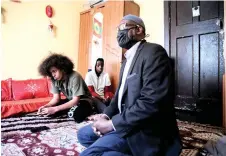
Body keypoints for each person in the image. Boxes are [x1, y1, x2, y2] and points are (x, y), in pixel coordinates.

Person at [77, 14, 182, 156]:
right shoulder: (127, 60)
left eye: (122, 27)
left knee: (91, 154)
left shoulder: (154, 52)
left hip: (143, 130)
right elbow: (118, 97)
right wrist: (106, 116)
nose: (119, 33)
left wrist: (112, 125)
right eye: (117, 29)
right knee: (83, 134)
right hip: (126, 123)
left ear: (138, 29)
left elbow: (151, 102)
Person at [37, 53, 94, 122]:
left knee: (77, 116)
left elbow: (75, 100)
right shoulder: (54, 79)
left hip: (83, 100)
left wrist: (55, 109)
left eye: (54, 71)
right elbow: (56, 99)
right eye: (51, 73)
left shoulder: (75, 76)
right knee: (49, 112)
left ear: (62, 68)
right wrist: (46, 106)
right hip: (70, 100)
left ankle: (91, 109)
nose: (53, 75)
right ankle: (69, 110)